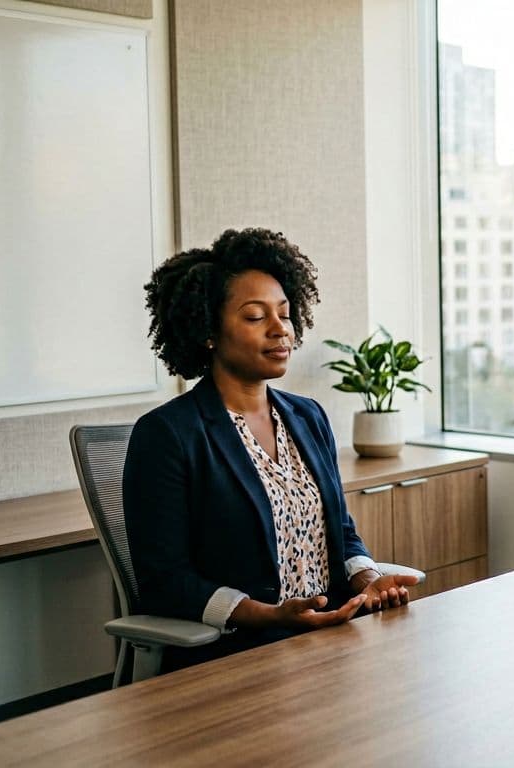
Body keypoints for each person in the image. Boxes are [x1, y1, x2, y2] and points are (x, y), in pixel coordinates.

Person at [124, 227, 417, 670]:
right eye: (255, 316)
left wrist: (366, 578)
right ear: (208, 331)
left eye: (284, 313)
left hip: (334, 642)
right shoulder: (167, 434)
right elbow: (165, 581)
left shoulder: (308, 417)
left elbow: (340, 530)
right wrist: (267, 616)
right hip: (240, 655)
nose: (282, 330)